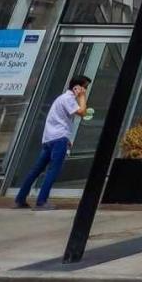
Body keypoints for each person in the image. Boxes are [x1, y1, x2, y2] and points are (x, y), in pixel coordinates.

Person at [13, 74, 90, 210]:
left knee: (36, 170)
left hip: (50, 139)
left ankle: (20, 199)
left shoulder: (61, 99)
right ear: (77, 87)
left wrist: (66, 139)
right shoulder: (68, 99)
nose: (85, 90)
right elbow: (82, 112)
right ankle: (41, 201)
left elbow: (58, 120)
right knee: (53, 170)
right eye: (84, 87)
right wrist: (82, 97)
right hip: (58, 139)